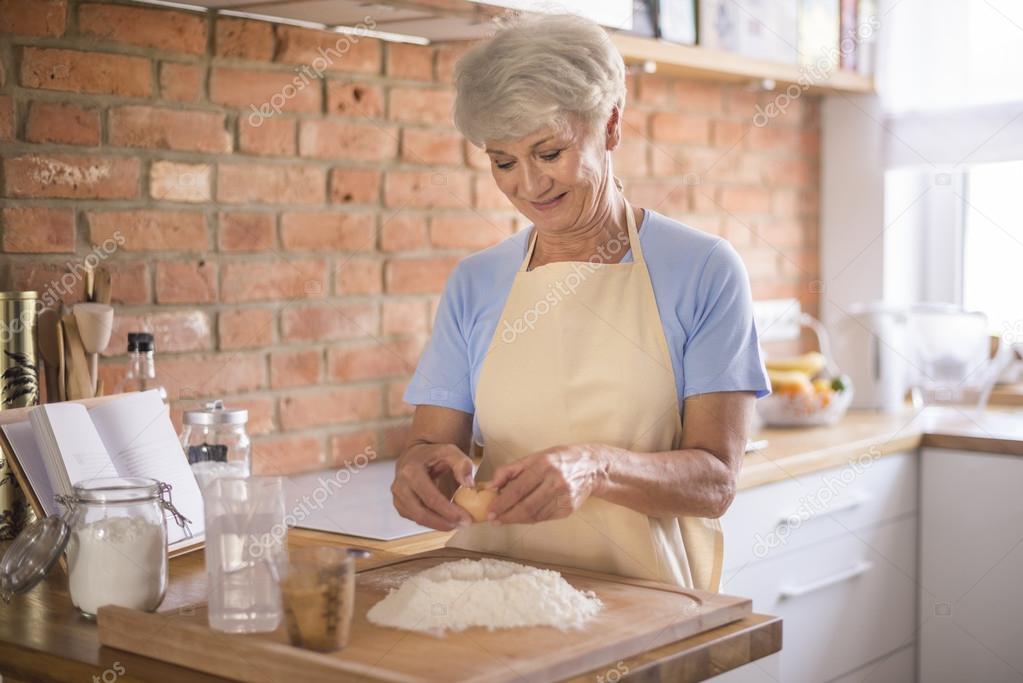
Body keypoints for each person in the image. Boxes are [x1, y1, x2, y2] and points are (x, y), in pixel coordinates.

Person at [390, 13, 770, 591]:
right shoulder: (476, 281)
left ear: (611, 124)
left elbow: (715, 482)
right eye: (503, 162)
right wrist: (420, 474)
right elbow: (430, 447)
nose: (529, 185)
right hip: (492, 595)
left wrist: (596, 468)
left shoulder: (703, 270)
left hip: (644, 601)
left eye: (549, 152)